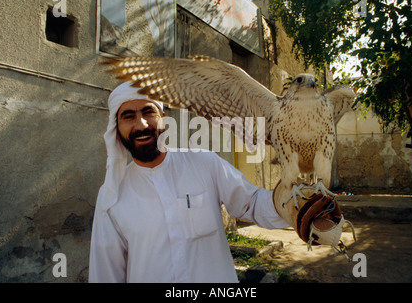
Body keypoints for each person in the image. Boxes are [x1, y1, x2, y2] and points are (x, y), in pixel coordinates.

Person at [88, 81, 288, 283]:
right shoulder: (111, 195)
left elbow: (252, 203)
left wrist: (294, 203)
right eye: (128, 116)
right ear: (116, 127)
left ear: (163, 119)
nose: (142, 125)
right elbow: (106, 274)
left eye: (148, 112)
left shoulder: (204, 163)